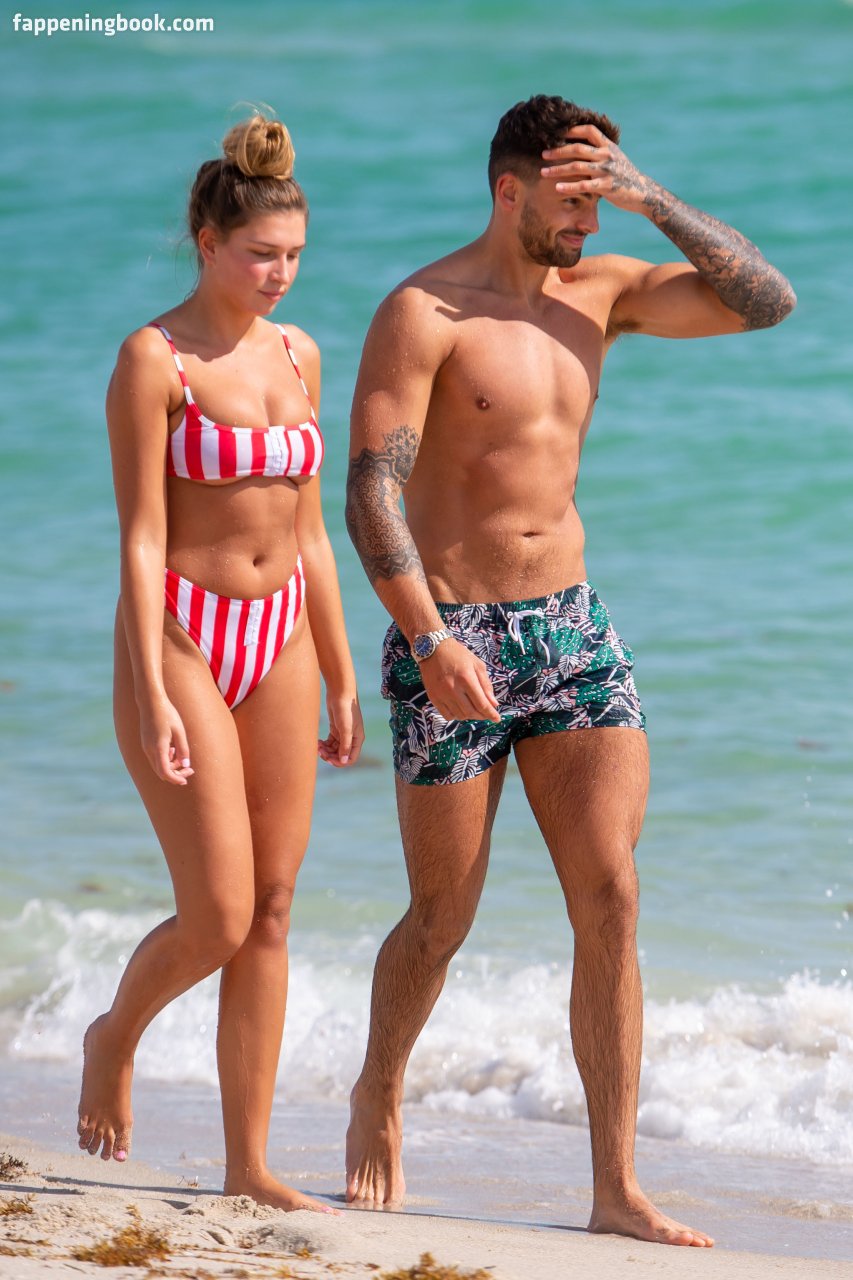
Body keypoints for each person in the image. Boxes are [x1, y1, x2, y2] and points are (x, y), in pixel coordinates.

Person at [343, 95, 795, 1244]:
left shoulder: (601, 291)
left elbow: (766, 301)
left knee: (611, 893)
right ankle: (379, 1089)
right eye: (574, 202)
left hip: (571, 629)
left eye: (602, 202)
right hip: (451, 633)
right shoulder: (422, 311)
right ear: (509, 190)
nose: (589, 224)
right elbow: (371, 489)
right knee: (441, 916)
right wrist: (428, 639)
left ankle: (614, 1186)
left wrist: (651, 199)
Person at [77, 112, 364, 1212]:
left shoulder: (300, 355)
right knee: (219, 915)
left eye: (293, 255)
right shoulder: (152, 360)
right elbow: (140, 538)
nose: (279, 273)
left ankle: (249, 1161)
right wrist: (152, 689)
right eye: (259, 254)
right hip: (182, 634)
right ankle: (114, 1035)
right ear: (207, 242)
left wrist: (341, 668)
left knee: (275, 908)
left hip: (279, 631)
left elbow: (310, 534)